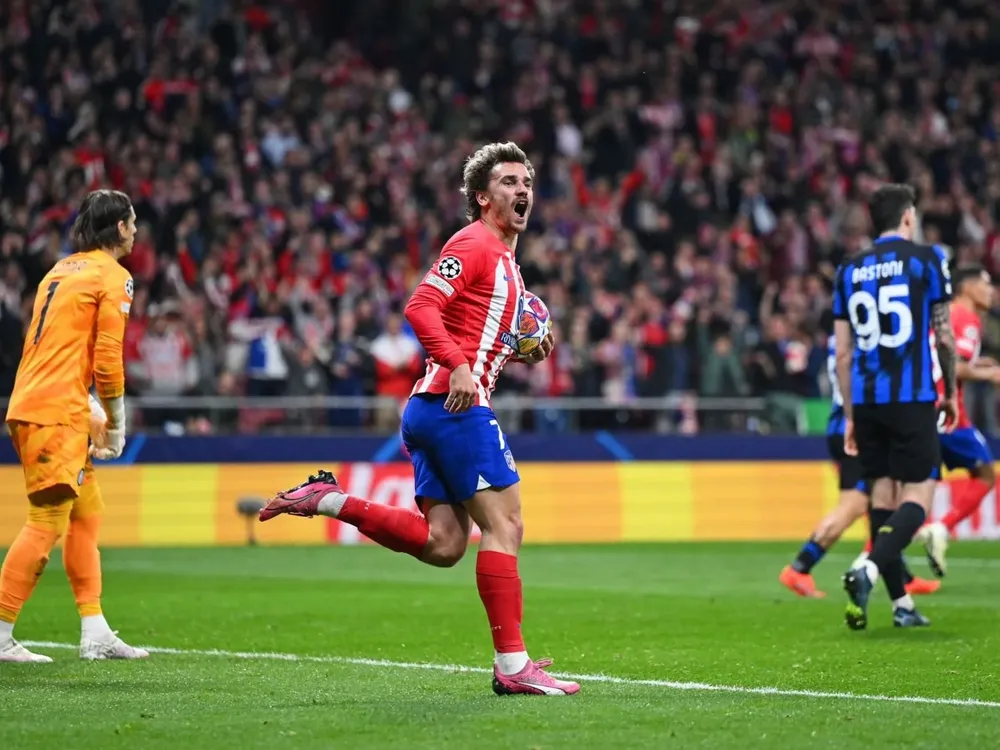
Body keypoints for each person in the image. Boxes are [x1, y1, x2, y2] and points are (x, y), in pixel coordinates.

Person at [259, 142, 579, 696]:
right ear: (482, 197)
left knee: (445, 545)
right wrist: (459, 366)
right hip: (456, 405)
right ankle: (513, 666)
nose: (521, 189)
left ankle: (329, 499)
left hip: (431, 409)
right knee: (506, 526)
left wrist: (521, 350)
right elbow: (420, 306)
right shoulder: (474, 243)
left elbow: (480, 333)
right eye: (507, 181)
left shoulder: (507, 263)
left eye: (526, 181)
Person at [0, 189, 148, 662]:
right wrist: (117, 423)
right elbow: (107, 359)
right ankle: (0, 632)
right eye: (132, 221)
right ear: (119, 228)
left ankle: (95, 629)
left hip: (38, 402)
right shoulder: (114, 277)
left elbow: (52, 351)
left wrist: (89, 412)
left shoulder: (59, 271)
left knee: (87, 513)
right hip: (55, 413)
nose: (137, 229)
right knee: (46, 522)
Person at [833, 183, 958, 631]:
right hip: (912, 396)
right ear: (908, 217)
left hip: (866, 400)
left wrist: (849, 413)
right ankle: (866, 569)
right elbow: (943, 335)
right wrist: (952, 392)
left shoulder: (848, 268)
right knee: (919, 495)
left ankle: (901, 605)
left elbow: (842, 354)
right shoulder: (928, 260)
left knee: (882, 499)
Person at [779, 332, 939, 598]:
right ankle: (800, 567)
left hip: (846, 423)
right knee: (856, 504)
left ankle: (900, 574)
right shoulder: (862, 334)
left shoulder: (844, 334)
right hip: (854, 426)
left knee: (883, 502)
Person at [915, 265, 1000, 575]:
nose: (991, 291)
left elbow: (951, 359)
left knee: (912, 491)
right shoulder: (966, 318)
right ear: (967, 287)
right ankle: (941, 528)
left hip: (923, 407)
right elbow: (957, 368)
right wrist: (990, 374)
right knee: (985, 474)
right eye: (986, 283)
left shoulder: (946, 314)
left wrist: (978, 363)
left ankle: (874, 562)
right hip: (949, 414)